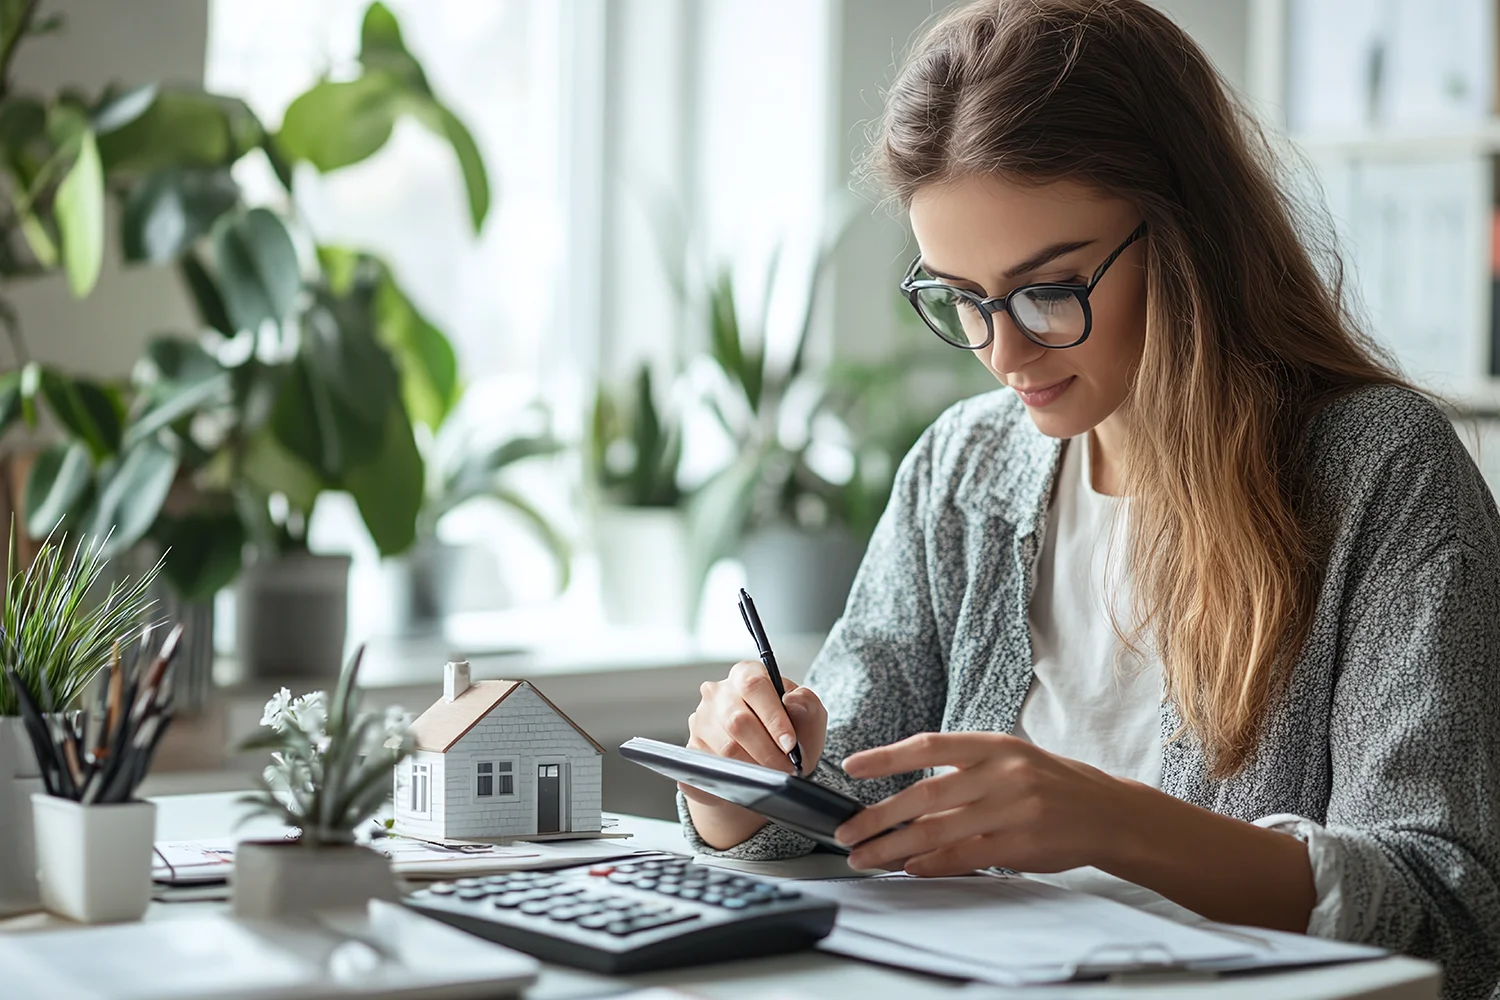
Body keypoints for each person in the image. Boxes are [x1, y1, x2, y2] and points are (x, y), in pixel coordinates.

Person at [675, 1, 1500, 995]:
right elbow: (841, 795)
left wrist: (1109, 820)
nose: (1004, 352)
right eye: (960, 298)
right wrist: (741, 786)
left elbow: (1449, 911)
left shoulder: (1378, 468)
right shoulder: (962, 471)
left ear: (1189, 234)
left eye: (1048, 289)